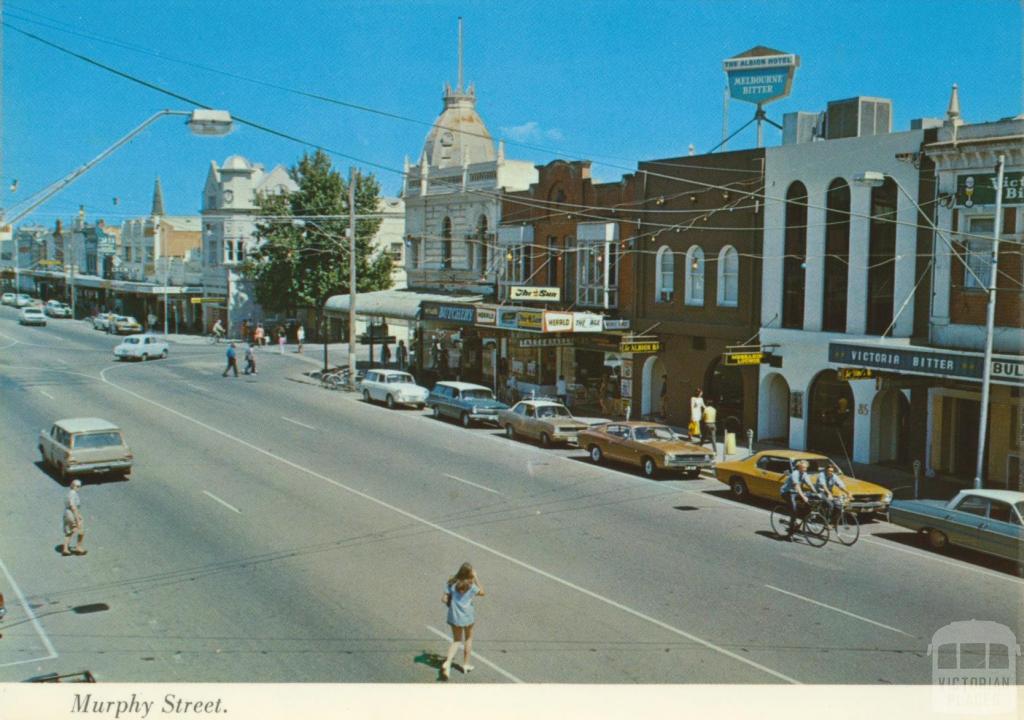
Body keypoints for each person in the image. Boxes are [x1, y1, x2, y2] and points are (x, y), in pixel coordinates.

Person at [440, 562, 486, 679]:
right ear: (469, 574)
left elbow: (444, 599)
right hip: (467, 616)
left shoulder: (451, 583)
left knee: (456, 640)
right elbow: (482, 592)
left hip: (454, 615)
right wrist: (476, 577)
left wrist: (453, 603)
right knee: (468, 639)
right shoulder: (471, 586)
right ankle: (465, 665)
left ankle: (448, 662)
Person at [779, 460, 813, 540]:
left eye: (806, 468)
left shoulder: (804, 474)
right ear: (799, 467)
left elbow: (810, 484)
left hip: (795, 493)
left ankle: (798, 522)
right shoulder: (795, 473)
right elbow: (797, 486)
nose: (805, 469)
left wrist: (816, 492)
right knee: (793, 510)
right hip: (787, 492)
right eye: (803, 467)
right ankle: (790, 534)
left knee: (809, 504)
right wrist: (803, 496)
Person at [60, 479, 86, 556]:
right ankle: (79, 547)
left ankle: (65, 549)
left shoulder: (70, 493)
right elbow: (73, 506)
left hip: (68, 513)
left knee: (70, 531)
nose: (78, 488)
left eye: (79, 486)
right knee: (81, 530)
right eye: (77, 486)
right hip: (72, 513)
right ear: (72, 486)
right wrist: (77, 518)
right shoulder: (73, 494)